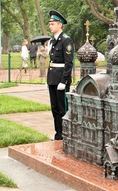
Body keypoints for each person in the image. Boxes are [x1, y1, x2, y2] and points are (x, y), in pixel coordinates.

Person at [47, 10, 74, 140]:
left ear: (60, 25)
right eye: (50, 24)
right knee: (54, 108)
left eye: (53, 24)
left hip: (61, 80)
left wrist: (64, 81)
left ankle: (65, 133)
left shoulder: (66, 40)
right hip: (52, 78)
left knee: (63, 108)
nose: (50, 26)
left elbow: (69, 63)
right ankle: (58, 133)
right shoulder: (53, 41)